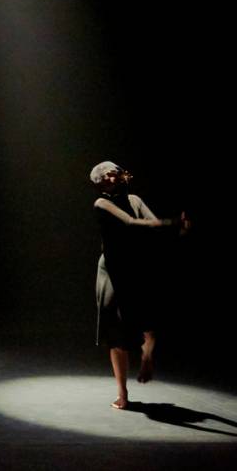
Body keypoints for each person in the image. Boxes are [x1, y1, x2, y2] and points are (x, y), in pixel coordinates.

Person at [89, 161, 187, 409]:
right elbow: (131, 225)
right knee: (116, 334)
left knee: (150, 323)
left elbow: (150, 224)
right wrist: (171, 223)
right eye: (110, 175)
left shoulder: (135, 199)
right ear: (101, 183)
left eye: (117, 172)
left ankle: (146, 357)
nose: (117, 176)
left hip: (134, 267)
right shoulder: (102, 203)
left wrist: (173, 230)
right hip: (112, 271)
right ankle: (123, 394)